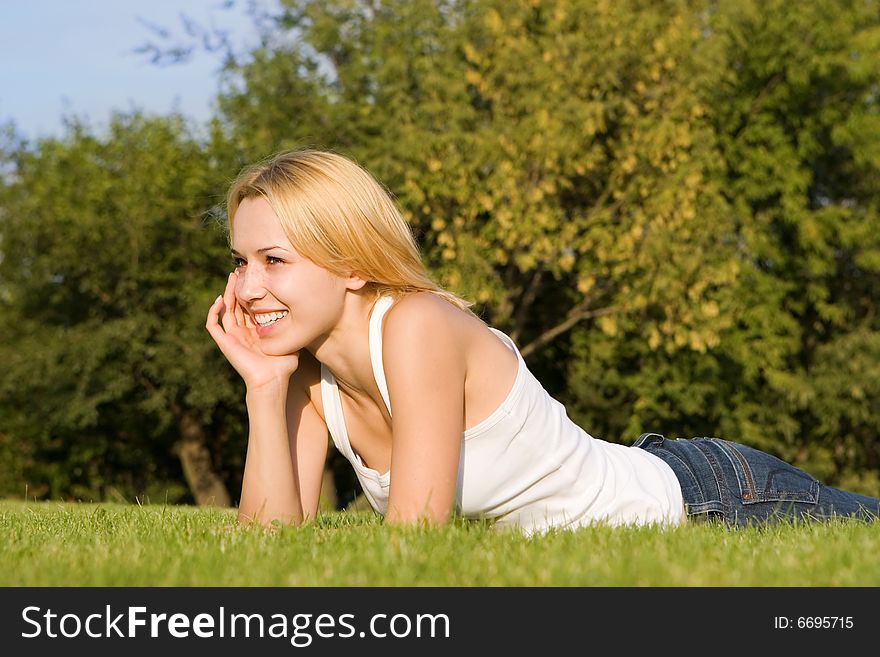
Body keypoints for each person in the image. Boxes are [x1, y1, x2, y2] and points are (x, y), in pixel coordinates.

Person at [205, 148, 880, 534]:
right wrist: (264, 389)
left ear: (352, 262)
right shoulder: (304, 373)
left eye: (274, 260)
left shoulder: (417, 326)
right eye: (240, 261)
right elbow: (270, 545)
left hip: (711, 499)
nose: (248, 285)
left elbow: (412, 540)